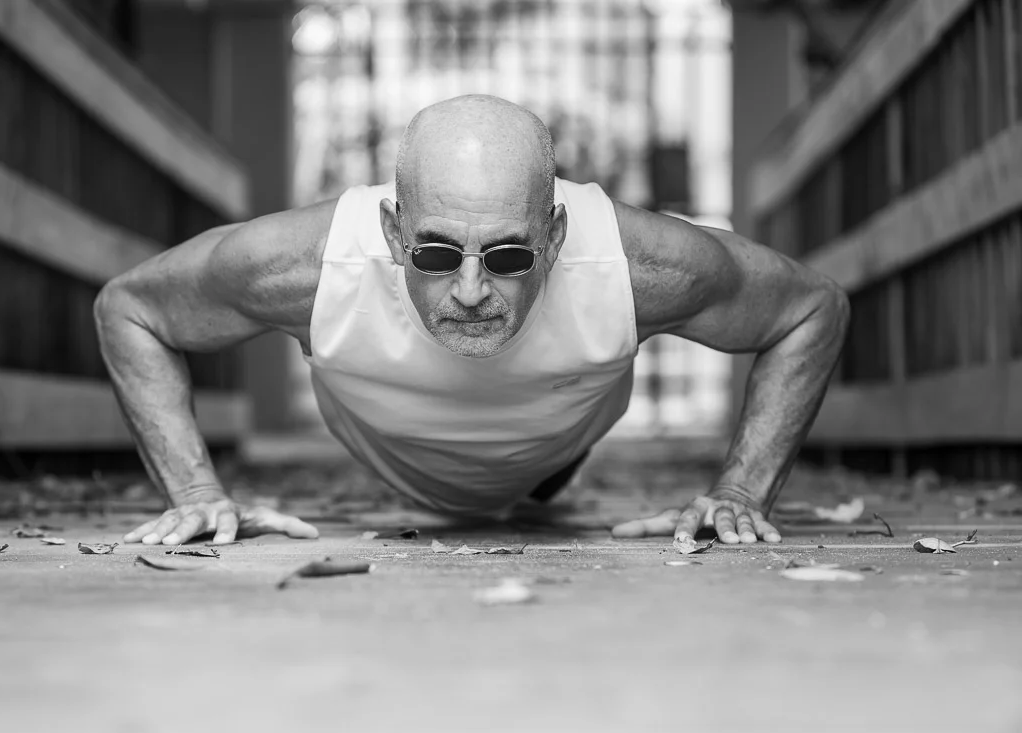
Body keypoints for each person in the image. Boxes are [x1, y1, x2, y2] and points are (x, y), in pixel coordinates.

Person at [95, 95, 849, 549]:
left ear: (555, 237)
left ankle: (549, 466)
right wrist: (194, 492)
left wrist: (742, 493)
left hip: (559, 439)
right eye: (433, 253)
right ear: (393, 233)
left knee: (548, 458)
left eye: (511, 256)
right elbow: (130, 307)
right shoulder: (301, 264)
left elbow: (811, 307)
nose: (469, 290)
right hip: (386, 449)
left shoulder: (638, 265)